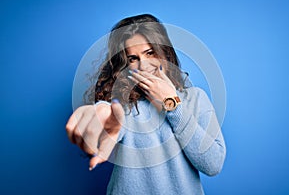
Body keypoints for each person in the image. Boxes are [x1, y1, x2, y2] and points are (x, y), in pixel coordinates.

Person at [66, 14, 226, 195]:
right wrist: (102, 113)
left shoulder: (196, 99)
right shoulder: (123, 105)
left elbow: (213, 165)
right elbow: (111, 117)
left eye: (150, 53)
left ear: (165, 52)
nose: (144, 66)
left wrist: (173, 105)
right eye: (133, 58)